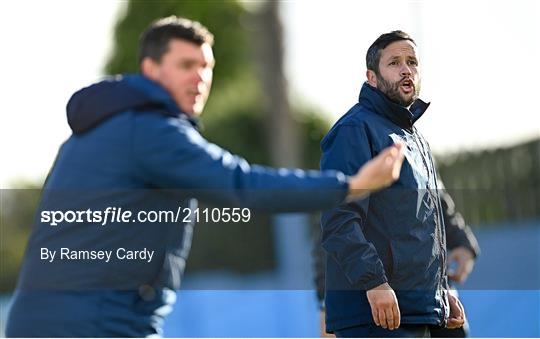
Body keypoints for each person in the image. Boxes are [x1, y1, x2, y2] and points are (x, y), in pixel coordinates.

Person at [5, 17, 406, 338]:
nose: (200, 78)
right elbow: (241, 183)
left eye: (206, 66)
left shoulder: (96, 132)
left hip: (49, 322)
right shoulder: (152, 131)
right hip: (94, 326)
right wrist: (351, 185)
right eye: (185, 65)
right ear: (150, 69)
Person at [319, 30, 466, 338]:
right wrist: (374, 282)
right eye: (394, 62)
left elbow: (425, 227)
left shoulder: (416, 139)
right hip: (378, 314)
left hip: (422, 309)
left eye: (412, 62)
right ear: (372, 77)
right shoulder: (353, 130)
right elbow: (338, 220)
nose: (406, 69)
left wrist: (442, 292)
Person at [313, 188, 480, 337]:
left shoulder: (415, 155)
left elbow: (430, 191)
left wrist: (463, 242)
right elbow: (337, 225)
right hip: (378, 309)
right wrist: (327, 302)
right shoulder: (353, 156)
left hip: (434, 304)